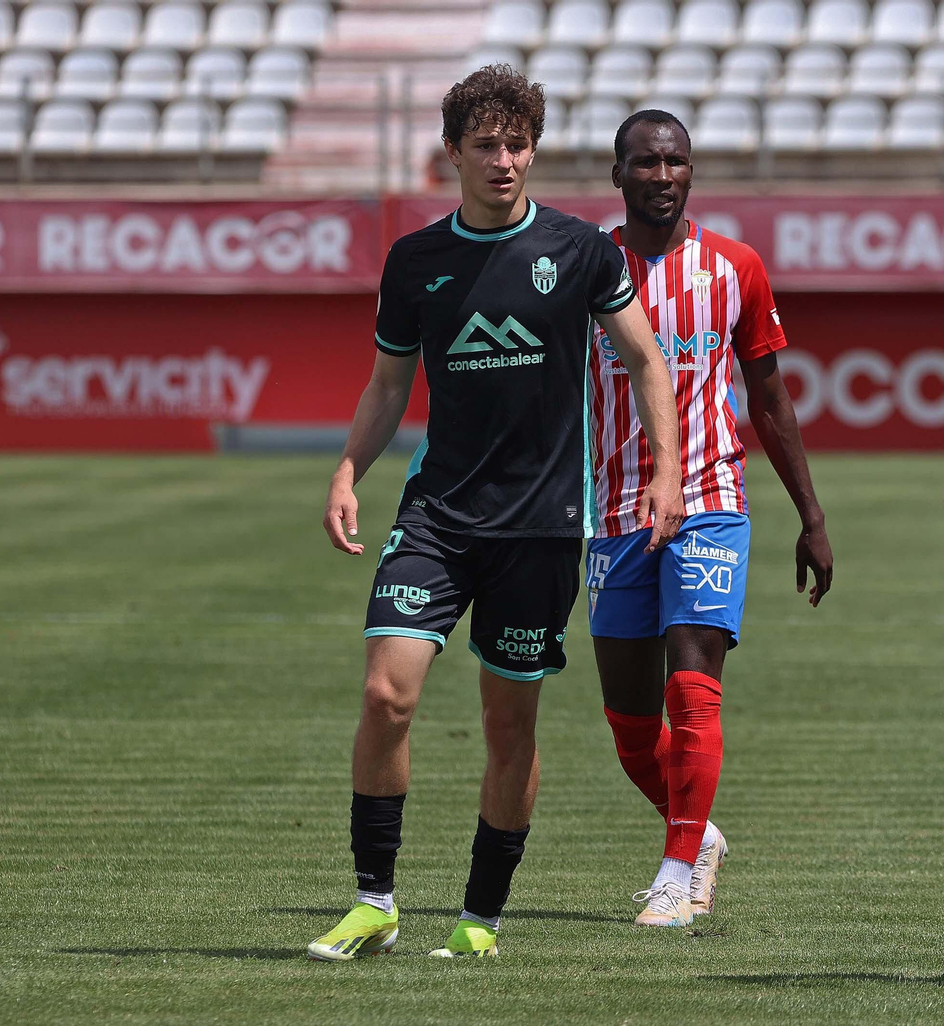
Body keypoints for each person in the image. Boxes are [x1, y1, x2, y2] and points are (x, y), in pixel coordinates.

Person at [307, 66, 685, 962]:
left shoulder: (582, 252)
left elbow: (647, 362)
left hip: (544, 526)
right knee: (385, 694)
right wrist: (346, 471)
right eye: (486, 145)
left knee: (508, 725)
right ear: (454, 155)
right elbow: (389, 382)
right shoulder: (415, 261)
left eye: (518, 144)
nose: (505, 160)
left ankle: (479, 919)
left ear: (533, 150)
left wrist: (667, 469)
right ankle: (375, 901)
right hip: (437, 514)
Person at [588, 110, 834, 927]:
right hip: (613, 510)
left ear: (691, 172)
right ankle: (699, 836)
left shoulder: (735, 267)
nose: (663, 176)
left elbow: (768, 397)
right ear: (617, 173)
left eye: (677, 162)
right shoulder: (583, 264)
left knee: (691, 688)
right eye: (647, 163)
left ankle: (674, 870)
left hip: (709, 503)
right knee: (629, 725)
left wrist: (810, 514)